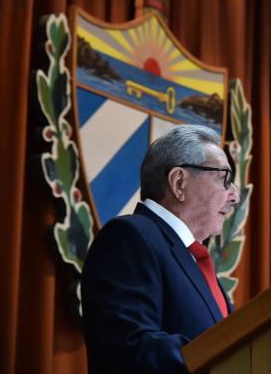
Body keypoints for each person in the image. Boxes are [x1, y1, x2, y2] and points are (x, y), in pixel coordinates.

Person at [81, 124, 240, 374]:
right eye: (225, 179)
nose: (234, 196)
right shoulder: (130, 237)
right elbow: (128, 348)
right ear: (179, 182)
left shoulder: (192, 258)